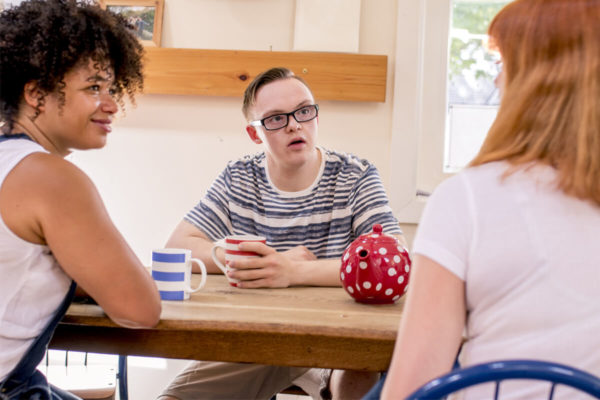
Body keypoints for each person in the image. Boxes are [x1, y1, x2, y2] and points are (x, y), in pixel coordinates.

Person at [373, 0, 600, 399]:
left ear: (535, 80)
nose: (497, 83)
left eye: (503, 66)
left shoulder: (467, 198)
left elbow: (410, 390)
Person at [159, 67, 406, 400]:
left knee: (357, 379)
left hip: (340, 334)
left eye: (304, 111)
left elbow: (395, 259)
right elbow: (179, 245)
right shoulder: (239, 176)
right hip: (260, 334)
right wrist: (254, 263)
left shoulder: (356, 175)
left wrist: (293, 271)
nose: (294, 124)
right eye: (276, 118)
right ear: (254, 133)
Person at [0, 0, 161, 398]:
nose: (111, 104)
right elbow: (141, 310)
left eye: (112, 88)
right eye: (93, 88)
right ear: (37, 94)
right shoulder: (53, 179)